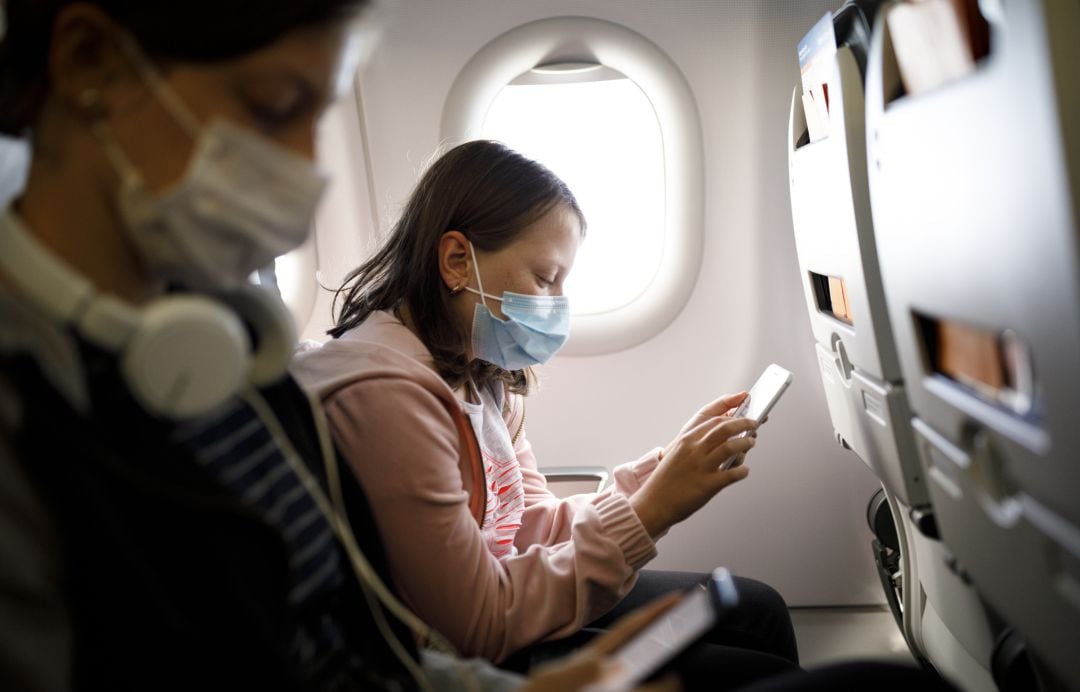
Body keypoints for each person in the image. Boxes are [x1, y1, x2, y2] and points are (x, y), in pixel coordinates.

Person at [0, 2, 687, 690]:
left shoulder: (235, 352)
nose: (306, 167)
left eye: (317, 119)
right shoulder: (32, 414)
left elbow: (348, 646)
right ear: (91, 61)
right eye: (272, 105)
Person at [291, 140, 801, 687]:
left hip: (504, 598)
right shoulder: (385, 401)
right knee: (756, 668)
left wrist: (654, 477)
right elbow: (479, 624)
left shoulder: (478, 374)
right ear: (457, 261)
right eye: (545, 278)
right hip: (459, 648)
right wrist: (651, 512)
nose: (558, 304)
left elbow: (529, 527)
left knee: (756, 609)